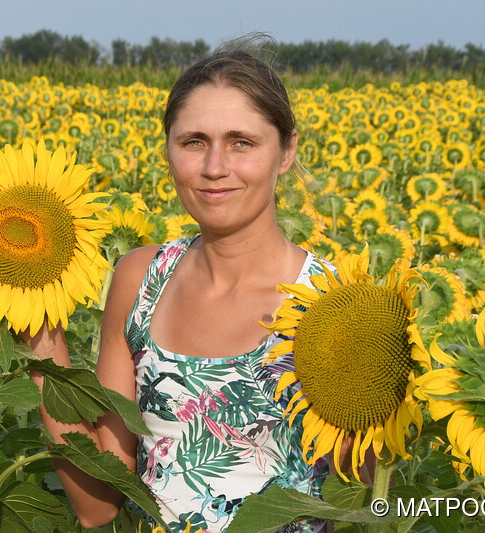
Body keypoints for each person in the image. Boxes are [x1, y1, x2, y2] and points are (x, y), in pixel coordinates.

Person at [23, 41, 333, 533]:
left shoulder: (333, 306)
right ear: (168, 150)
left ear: (287, 151)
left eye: (242, 143)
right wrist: (44, 349)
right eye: (193, 142)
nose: (214, 167)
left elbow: (364, 498)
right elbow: (99, 503)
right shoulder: (140, 281)